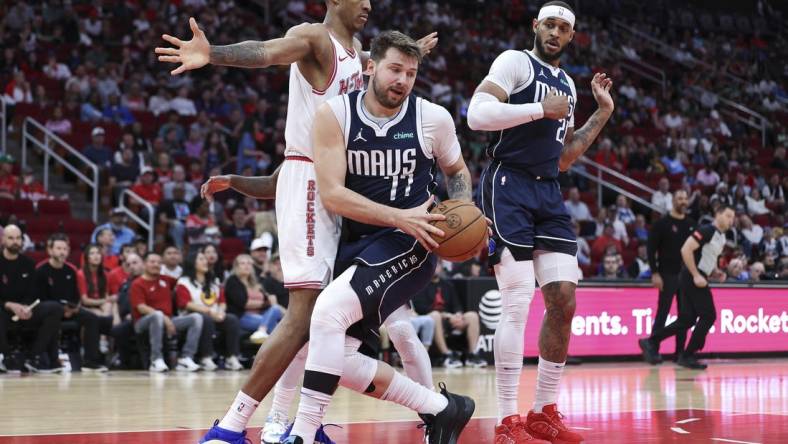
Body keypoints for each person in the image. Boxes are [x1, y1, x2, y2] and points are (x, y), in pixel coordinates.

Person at [164, 4, 439, 441]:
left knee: (325, 325)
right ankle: (232, 427)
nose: (368, 4)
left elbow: (279, 179)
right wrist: (213, 53)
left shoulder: (356, 53)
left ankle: (304, 425)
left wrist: (402, 57)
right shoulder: (314, 38)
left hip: (331, 185)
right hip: (313, 185)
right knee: (305, 315)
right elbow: (266, 51)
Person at [282, 30, 477, 444]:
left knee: (327, 314)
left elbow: (457, 171)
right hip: (357, 243)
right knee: (339, 354)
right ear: (370, 67)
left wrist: (459, 213)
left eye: (411, 72)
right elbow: (332, 194)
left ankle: (300, 434)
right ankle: (441, 408)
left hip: (412, 243)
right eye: (394, 69)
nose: (403, 80)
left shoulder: (432, 118)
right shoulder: (335, 114)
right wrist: (398, 216)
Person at [466, 2, 614, 442]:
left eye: (564, 28)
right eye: (549, 24)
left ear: (571, 36)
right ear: (536, 26)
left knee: (564, 300)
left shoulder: (567, 83)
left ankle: (543, 411)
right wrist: (535, 109)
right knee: (516, 298)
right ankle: (506, 421)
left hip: (548, 190)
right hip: (507, 184)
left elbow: (565, 156)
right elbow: (476, 114)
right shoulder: (516, 62)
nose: (555, 32)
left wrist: (601, 113)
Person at [639, 205, 736, 370]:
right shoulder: (706, 230)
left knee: (687, 319)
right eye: (727, 216)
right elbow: (686, 249)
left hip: (696, 276)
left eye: (732, 218)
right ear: (717, 214)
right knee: (709, 315)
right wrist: (696, 274)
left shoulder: (720, 237)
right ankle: (688, 354)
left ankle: (651, 341)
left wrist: (715, 272)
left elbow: (706, 258)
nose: (730, 220)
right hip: (691, 277)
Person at [33, 233, 109, 372]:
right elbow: (39, 298)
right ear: (50, 250)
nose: (62, 252)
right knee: (54, 311)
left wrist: (73, 308)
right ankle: (49, 359)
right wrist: (62, 310)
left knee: (91, 318)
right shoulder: (41, 270)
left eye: (65, 249)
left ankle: (90, 361)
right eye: (58, 248)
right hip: (49, 311)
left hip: (69, 310)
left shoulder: (71, 270)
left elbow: (75, 295)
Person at [0, 225, 63, 373]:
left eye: (18, 238)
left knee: (55, 308)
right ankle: (6, 357)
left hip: (25, 310)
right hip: (4, 310)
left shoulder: (29, 264)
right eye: (11, 238)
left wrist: (27, 306)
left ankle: (34, 358)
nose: (15, 241)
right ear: (3, 240)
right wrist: (9, 305)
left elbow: (33, 292)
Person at [644, 189, 695, 362]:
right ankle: (652, 349)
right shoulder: (662, 224)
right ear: (673, 200)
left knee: (684, 316)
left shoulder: (691, 224)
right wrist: (655, 273)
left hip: (686, 276)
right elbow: (651, 250)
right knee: (663, 313)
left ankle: (680, 353)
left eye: (685, 198)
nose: (682, 201)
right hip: (667, 274)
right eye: (679, 198)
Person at [129, 252, 202, 373]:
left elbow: (184, 281)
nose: (156, 265)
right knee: (157, 315)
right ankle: (155, 360)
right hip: (142, 322)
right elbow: (141, 307)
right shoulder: (137, 283)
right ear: (145, 264)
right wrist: (164, 318)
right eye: (152, 262)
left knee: (196, 318)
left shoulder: (165, 280)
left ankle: (186, 358)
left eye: (159, 262)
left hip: (168, 319)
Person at [176, 250, 243, 371]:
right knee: (205, 319)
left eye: (205, 259)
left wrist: (221, 312)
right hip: (194, 316)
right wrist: (209, 311)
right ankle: (206, 358)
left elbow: (222, 301)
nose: (205, 261)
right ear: (192, 262)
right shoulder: (183, 282)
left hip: (214, 314)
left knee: (231, 319)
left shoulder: (214, 281)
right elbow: (185, 304)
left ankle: (231, 357)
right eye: (201, 259)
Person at [412, 265, 487, 368]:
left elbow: (457, 305)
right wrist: (446, 316)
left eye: (438, 265)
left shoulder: (447, 285)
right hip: (433, 319)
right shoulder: (420, 285)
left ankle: (472, 355)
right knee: (435, 316)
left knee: (472, 316)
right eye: (433, 265)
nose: (435, 268)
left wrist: (458, 315)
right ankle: (446, 355)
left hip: (450, 319)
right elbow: (420, 308)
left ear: (441, 267)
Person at [224, 254, 284, 344]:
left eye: (249, 263)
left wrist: (268, 301)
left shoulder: (256, 283)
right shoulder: (233, 281)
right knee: (274, 325)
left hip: (261, 315)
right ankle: (263, 332)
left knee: (275, 309)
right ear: (236, 266)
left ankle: (262, 331)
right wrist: (264, 303)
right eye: (242, 263)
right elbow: (244, 303)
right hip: (242, 316)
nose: (246, 266)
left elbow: (269, 300)